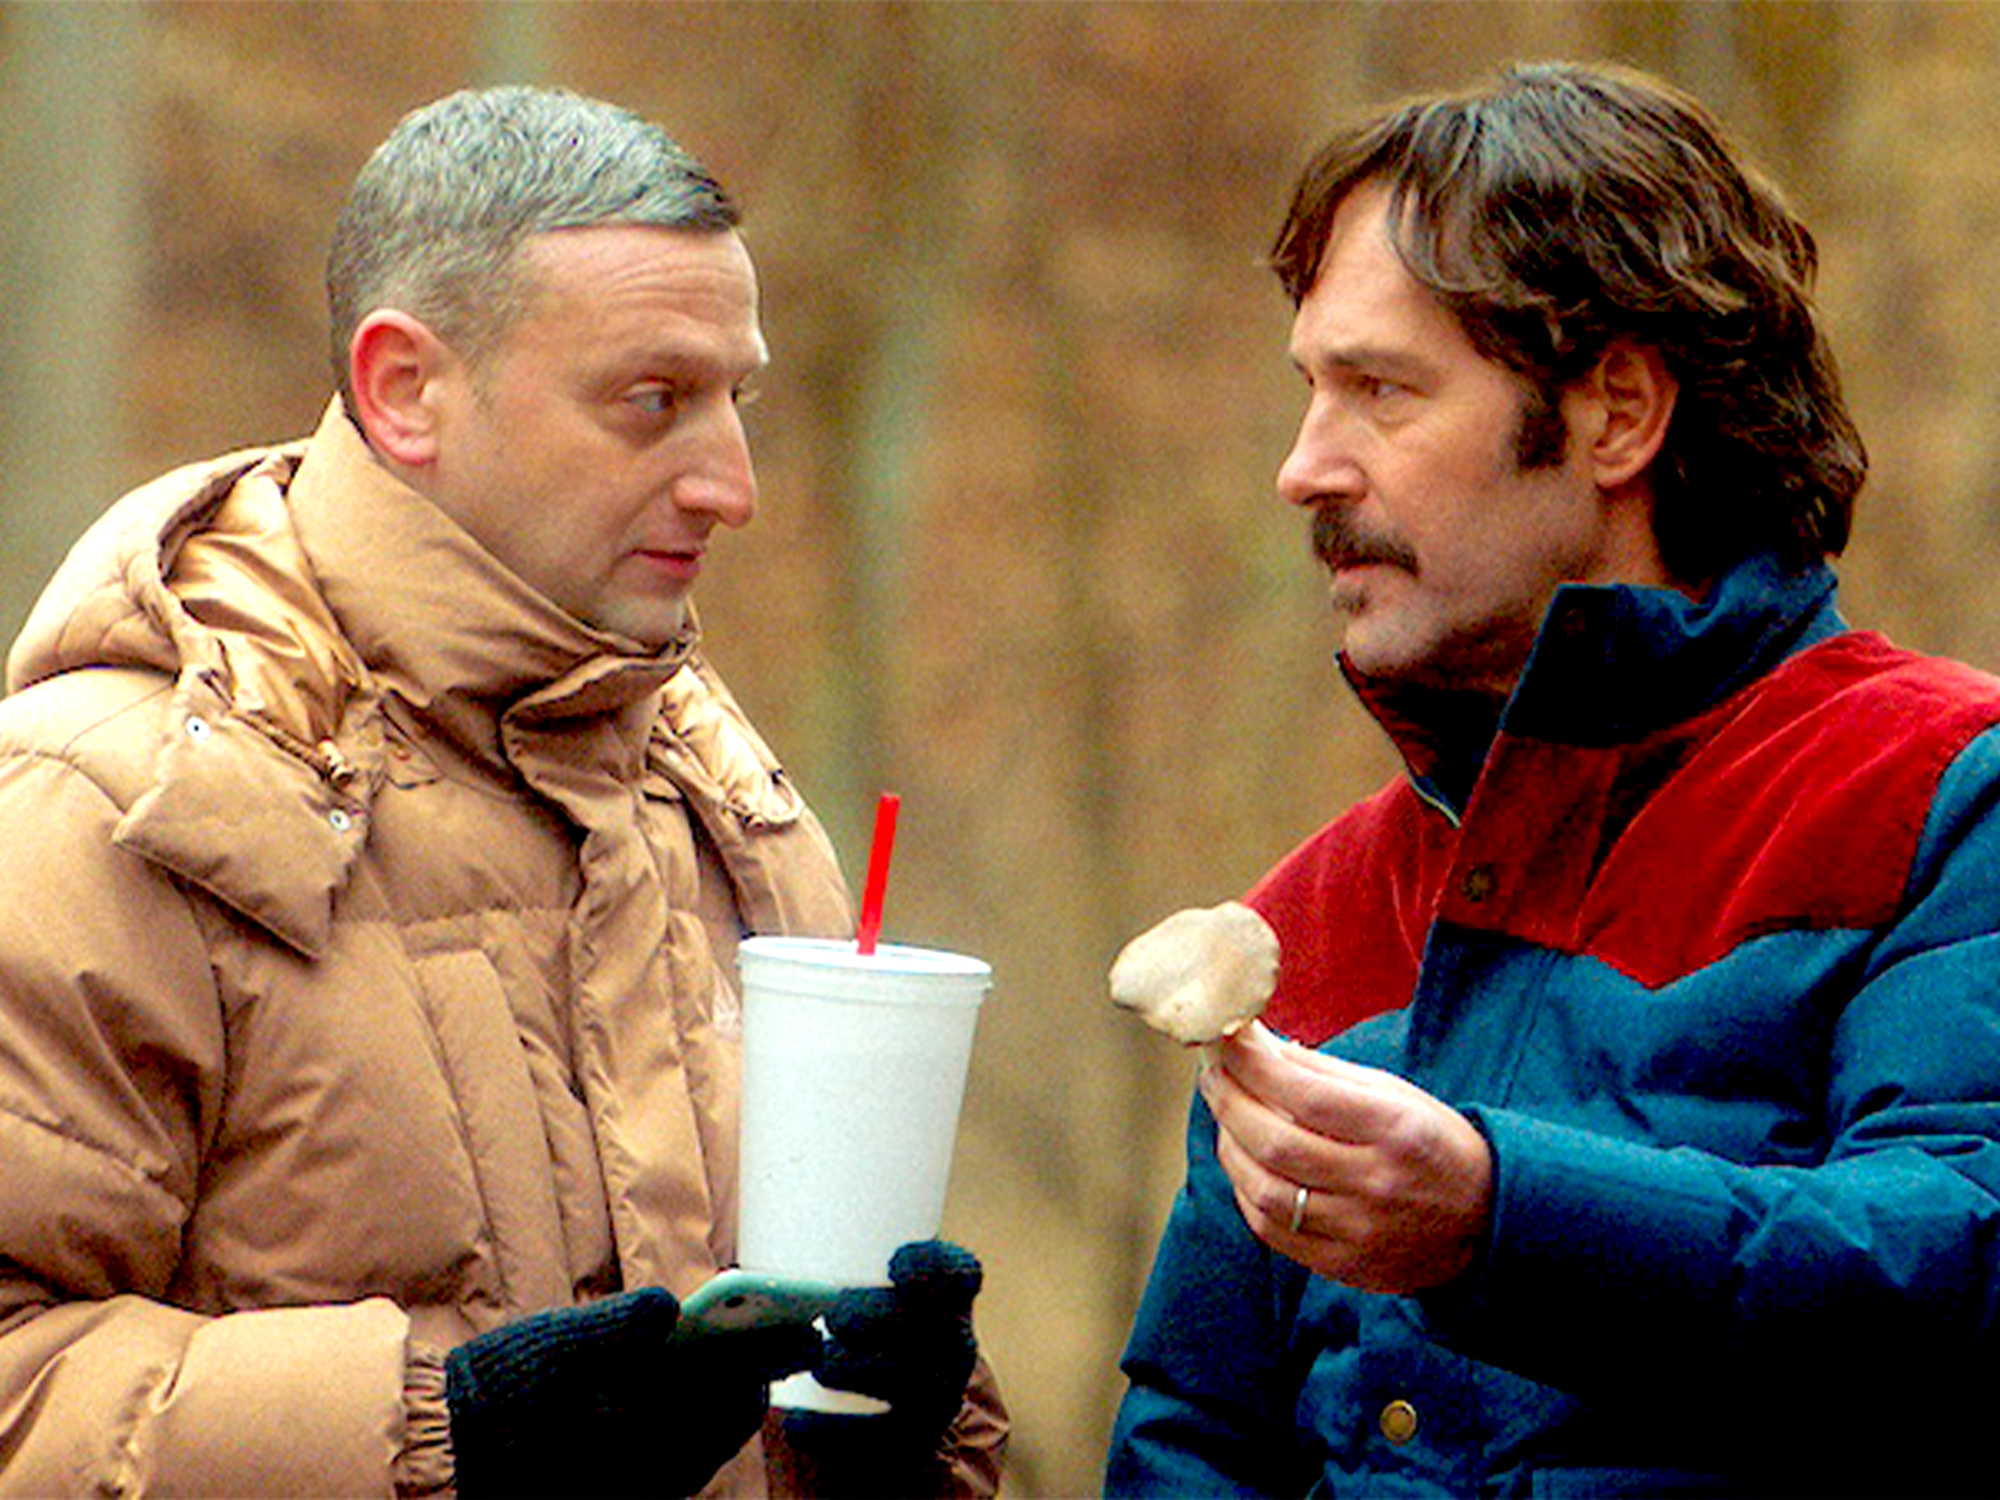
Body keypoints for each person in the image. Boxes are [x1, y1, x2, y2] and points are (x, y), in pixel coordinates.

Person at [0, 85, 1005, 1498]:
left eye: (738, 401)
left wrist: (894, 1436)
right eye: (653, 402)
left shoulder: (732, 808)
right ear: (407, 390)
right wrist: (452, 1431)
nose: (733, 486)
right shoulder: (101, 809)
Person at [1106, 60, 2000, 1498]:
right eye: (1310, 391)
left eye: (1380, 392)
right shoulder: (1308, 919)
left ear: (1617, 415)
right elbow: (1193, 1440)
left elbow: (1962, 1260)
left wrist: (1499, 1220)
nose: (1304, 469)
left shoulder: (1946, 795)